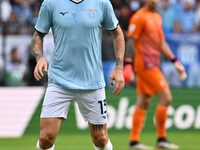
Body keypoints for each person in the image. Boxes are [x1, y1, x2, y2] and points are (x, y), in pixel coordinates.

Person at [31, 0, 125, 150]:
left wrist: (119, 67)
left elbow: (118, 34)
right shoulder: (51, 3)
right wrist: (39, 57)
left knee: (101, 139)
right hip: (59, 80)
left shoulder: (102, 3)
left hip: (92, 81)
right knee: (45, 138)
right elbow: (37, 36)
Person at [123, 0, 187, 149]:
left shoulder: (157, 17)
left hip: (154, 63)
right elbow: (131, 41)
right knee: (166, 97)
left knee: (144, 101)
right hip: (145, 65)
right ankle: (161, 138)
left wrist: (174, 61)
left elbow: (161, 42)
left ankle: (133, 141)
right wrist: (127, 64)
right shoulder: (139, 17)